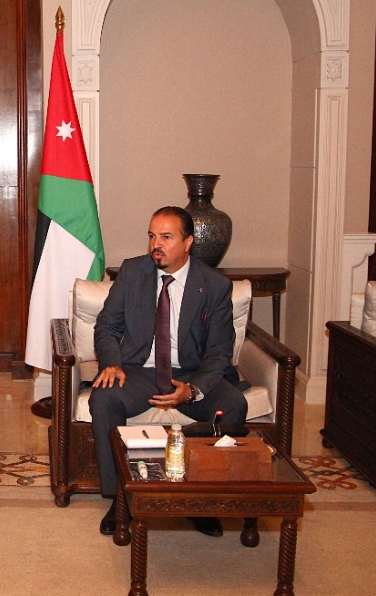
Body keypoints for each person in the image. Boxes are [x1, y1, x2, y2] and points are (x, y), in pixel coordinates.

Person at [90, 206, 247, 537]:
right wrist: (112, 362)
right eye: (151, 236)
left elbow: (219, 352)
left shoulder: (214, 285)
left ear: (188, 242)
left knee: (233, 404)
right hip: (139, 372)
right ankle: (120, 499)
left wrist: (193, 389)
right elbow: (107, 325)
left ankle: (202, 502)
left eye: (165, 237)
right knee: (104, 398)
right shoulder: (132, 272)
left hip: (191, 373)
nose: (155, 245)